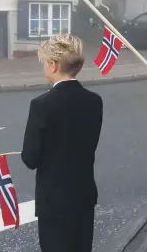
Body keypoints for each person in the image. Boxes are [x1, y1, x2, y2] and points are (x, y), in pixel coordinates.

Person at [21, 34, 103, 252]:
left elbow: (30, 158)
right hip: (83, 194)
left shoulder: (41, 105)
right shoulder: (94, 101)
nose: (44, 68)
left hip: (54, 200)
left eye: (45, 63)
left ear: (54, 65)